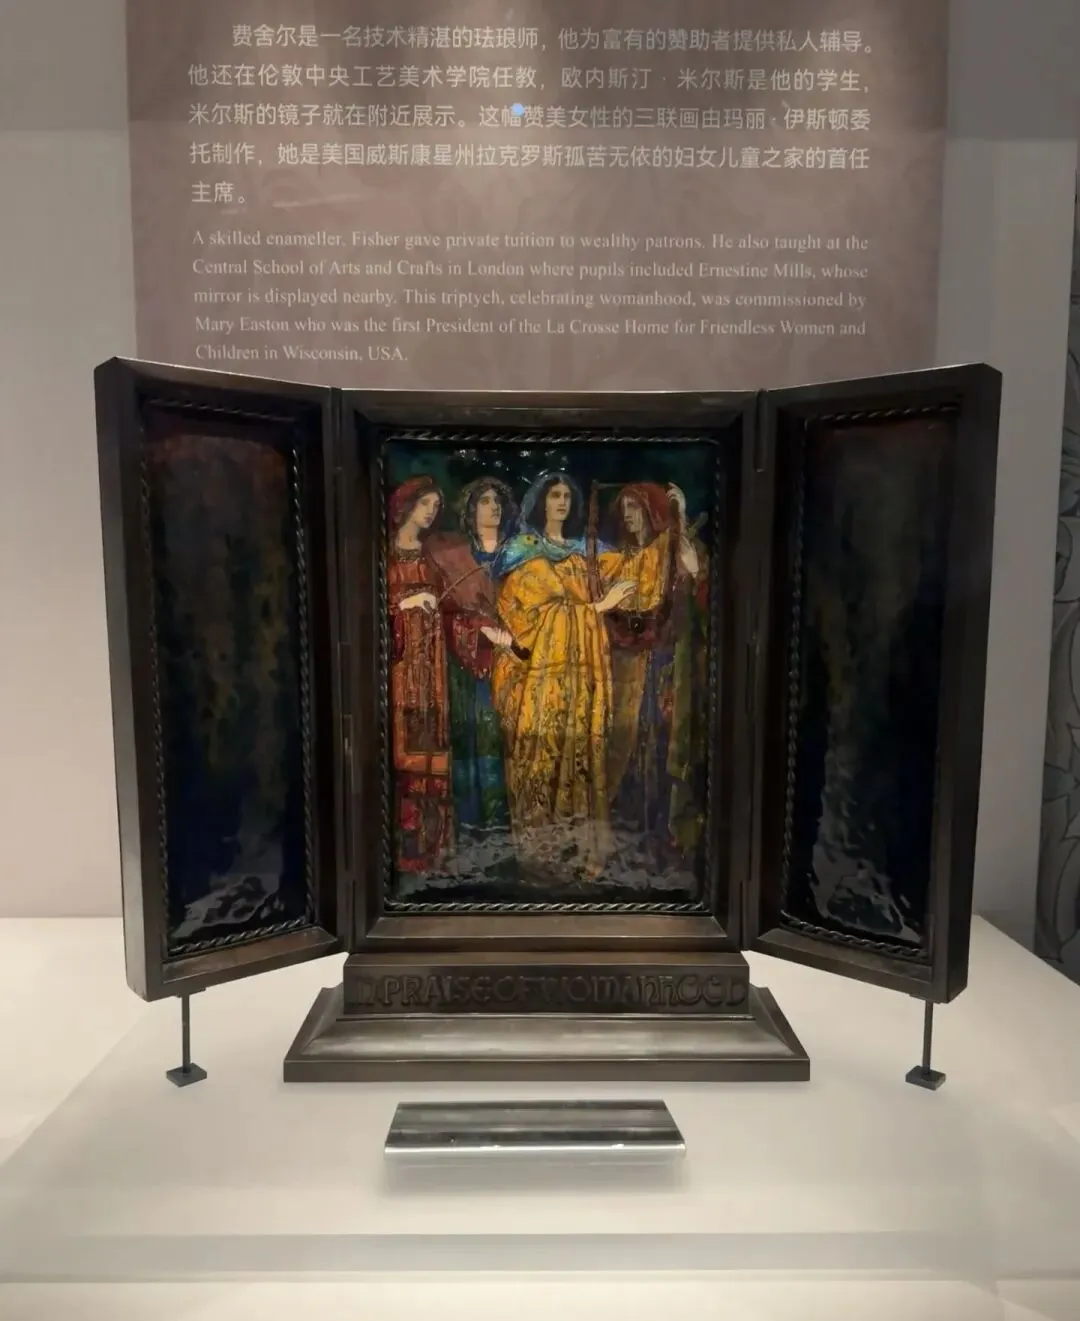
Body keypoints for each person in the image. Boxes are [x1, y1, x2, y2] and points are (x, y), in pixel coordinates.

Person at [489, 471, 676, 881]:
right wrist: (597, 608)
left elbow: (640, 575)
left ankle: (577, 852)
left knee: (581, 759)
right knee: (543, 760)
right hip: (536, 683)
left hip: (581, 683)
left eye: (566, 496)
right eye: (553, 495)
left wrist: (670, 524)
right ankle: (540, 859)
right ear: (540, 501)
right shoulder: (523, 552)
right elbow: (531, 621)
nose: (561, 502)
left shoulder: (586, 554)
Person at [606, 482, 710, 862]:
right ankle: (633, 830)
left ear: (653, 512)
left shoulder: (677, 552)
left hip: (670, 666)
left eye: (636, 507)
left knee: (667, 745)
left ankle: (667, 834)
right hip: (630, 668)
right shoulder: (620, 559)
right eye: (625, 508)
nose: (630, 516)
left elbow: (702, 604)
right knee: (631, 744)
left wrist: (694, 570)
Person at [445, 477, 517, 856]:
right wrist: (477, 629)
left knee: (503, 742)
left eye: (497, 501)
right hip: (467, 667)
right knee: (470, 739)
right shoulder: (455, 557)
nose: (493, 507)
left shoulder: (518, 553)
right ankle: (470, 832)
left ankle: (502, 832)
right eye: (485, 501)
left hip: (513, 662)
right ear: (471, 511)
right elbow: (446, 613)